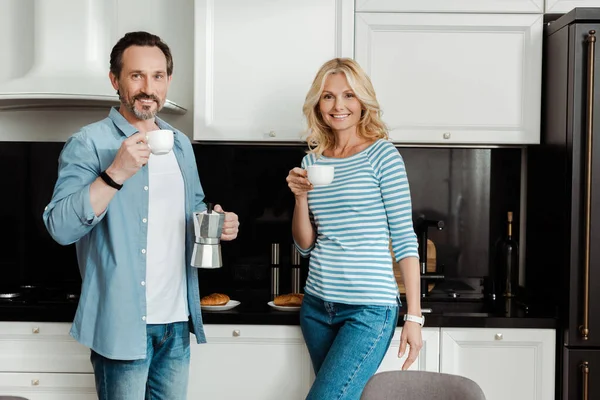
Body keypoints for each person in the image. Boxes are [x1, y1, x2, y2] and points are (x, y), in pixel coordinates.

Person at [43, 31, 239, 400]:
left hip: (177, 321)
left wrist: (218, 222)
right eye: (136, 76)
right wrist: (115, 172)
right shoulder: (89, 143)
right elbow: (59, 227)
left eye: (158, 75)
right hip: (121, 324)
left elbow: (194, 208)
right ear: (115, 80)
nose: (148, 87)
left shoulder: (179, 144)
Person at [286, 58, 423, 399]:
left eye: (348, 95)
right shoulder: (312, 161)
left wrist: (414, 317)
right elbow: (305, 245)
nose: (338, 105)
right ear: (318, 104)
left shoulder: (383, 156)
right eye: (328, 96)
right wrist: (300, 198)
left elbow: (405, 240)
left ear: (362, 101)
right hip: (317, 306)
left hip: (369, 310)